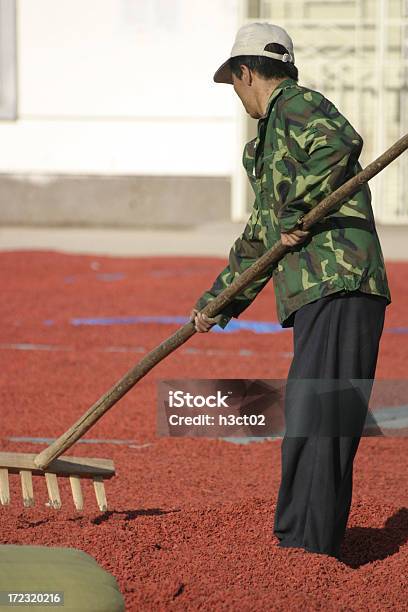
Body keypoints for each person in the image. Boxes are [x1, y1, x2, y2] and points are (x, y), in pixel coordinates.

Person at [189, 22, 392, 559]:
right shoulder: (265, 144)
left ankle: (309, 545)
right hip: (316, 291)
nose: (235, 94)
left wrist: (299, 210)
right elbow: (261, 236)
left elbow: (341, 143)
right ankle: (298, 537)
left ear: (246, 71)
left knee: (324, 417)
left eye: (233, 81)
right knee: (308, 416)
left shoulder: (297, 104)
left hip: (342, 280)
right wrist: (217, 302)